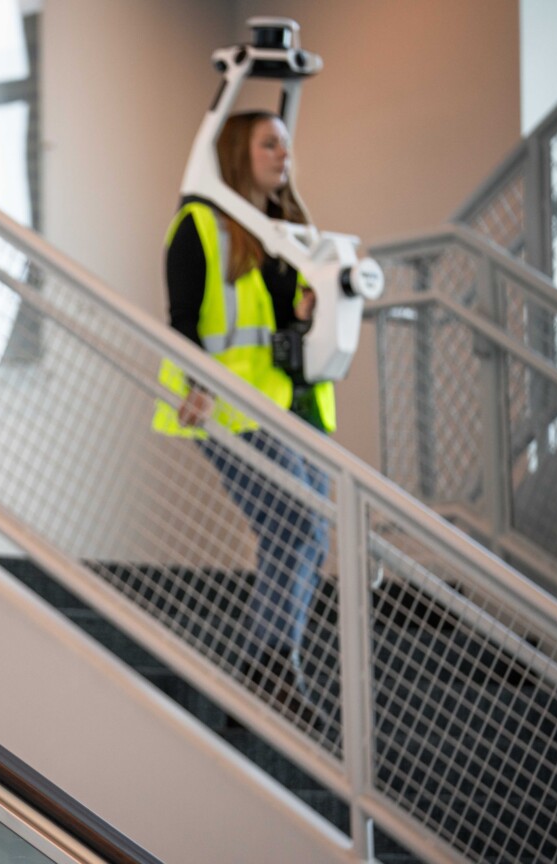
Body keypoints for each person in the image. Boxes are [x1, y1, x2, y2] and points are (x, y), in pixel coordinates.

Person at [153, 110, 332, 714]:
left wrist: (305, 314)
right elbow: (180, 320)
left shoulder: (281, 233)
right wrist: (200, 385)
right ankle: (269, 665)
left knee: (308, 530)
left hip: (284, 409)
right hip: (227, 410)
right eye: (269, 144)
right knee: (298, 526)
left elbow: (279, 325)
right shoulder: (199, 225)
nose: (284, 154)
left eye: (286, 145)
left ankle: (271, 666)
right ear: (237, 153)